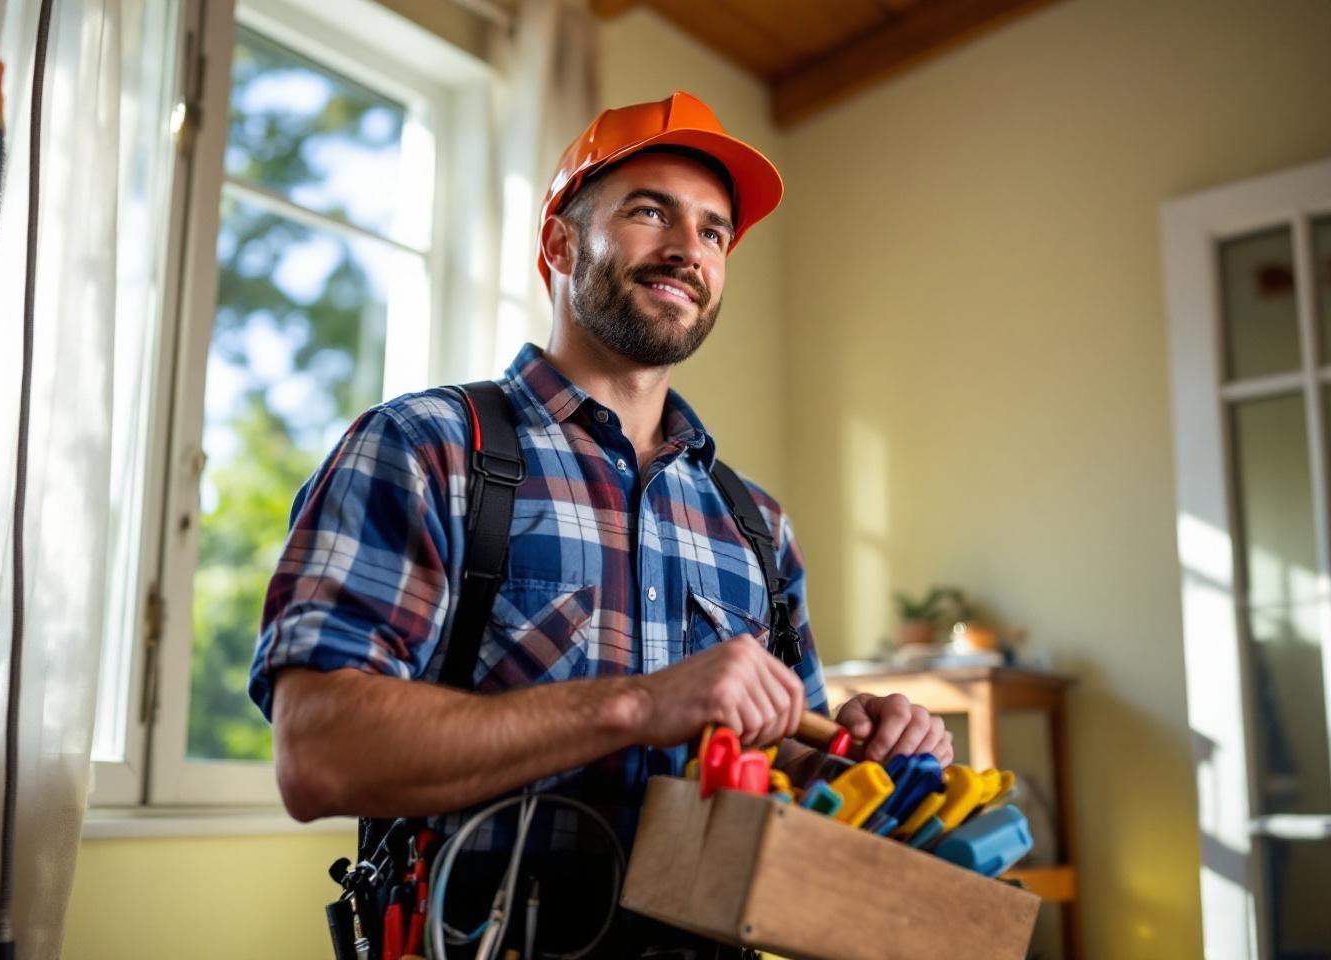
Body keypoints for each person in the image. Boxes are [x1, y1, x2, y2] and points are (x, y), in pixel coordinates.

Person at [249, 91, 952, 957]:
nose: (687, 250)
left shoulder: (756, 524)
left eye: (714, 231)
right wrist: (633, 705)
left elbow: (792, 772)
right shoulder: (426, 448)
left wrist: (864, 750)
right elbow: (319, 754)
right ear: (559, 243)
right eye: (650, 212)